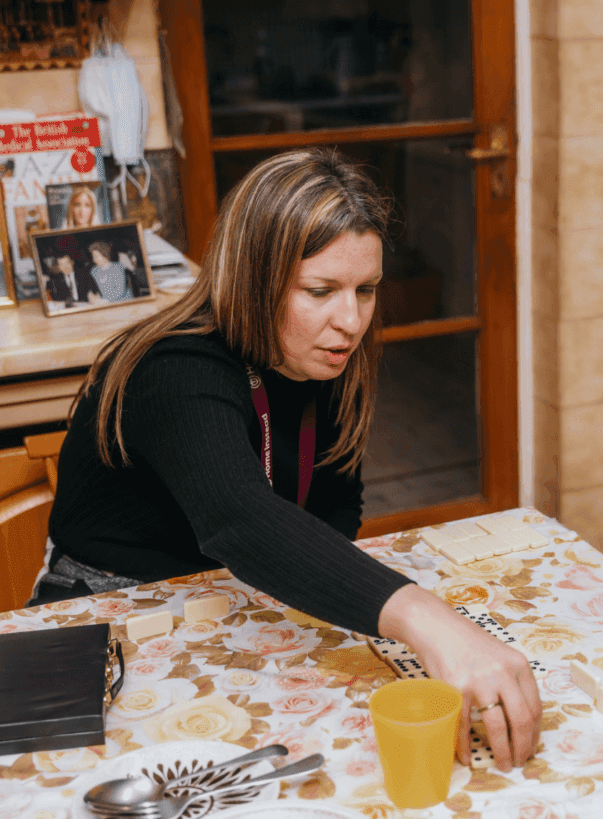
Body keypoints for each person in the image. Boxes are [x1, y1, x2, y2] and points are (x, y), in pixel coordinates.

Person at [41, 147, 541, 772]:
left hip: (241, 597)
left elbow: (334, 502)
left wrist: (313, 585)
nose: (352, 321)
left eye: (366, 290)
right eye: (321, 290)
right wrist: (425, 616)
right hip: (114, 609)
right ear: (254, 278)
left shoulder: (317, 352)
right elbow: (239, 520)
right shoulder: (172, 368)